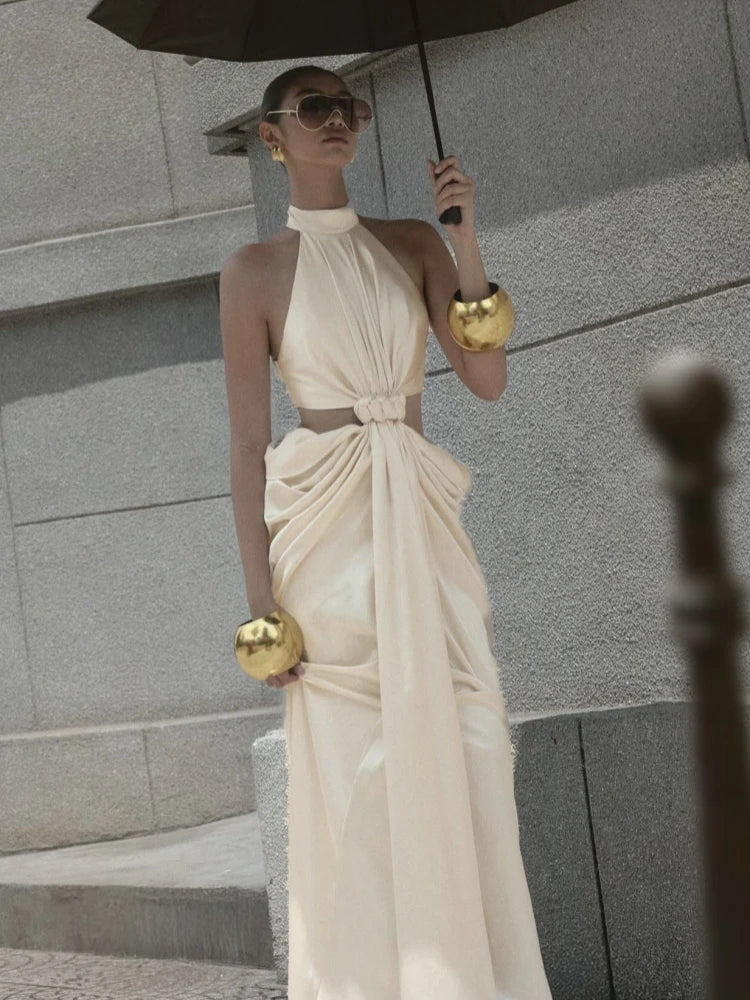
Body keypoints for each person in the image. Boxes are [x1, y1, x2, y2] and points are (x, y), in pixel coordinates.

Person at [219, 64, 552, 1000]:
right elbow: (247, 447)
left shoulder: (413, 243)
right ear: (272, 136)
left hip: (421, 519)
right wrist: (260, 608)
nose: (338, 120)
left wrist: (465, 238)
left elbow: (486, 381)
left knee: (473, 744)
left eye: (350, 107)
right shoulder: (252, 273)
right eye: (314, 108)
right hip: (326, 543)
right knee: (361, 783)